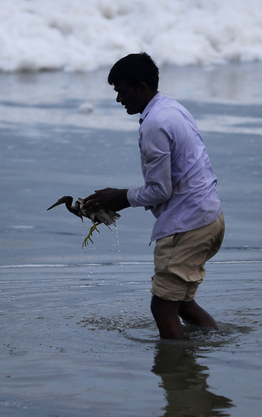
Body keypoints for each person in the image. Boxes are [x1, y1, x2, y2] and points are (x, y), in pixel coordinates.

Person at [83, 52, 225, 339]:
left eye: (122, 92)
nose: (119, 100)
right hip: (211, 219)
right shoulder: (173, 108)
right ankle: (219, 342)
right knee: (181, 304)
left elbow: (161, 190)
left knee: (162, 308)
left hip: (188, 226)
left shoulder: (153, 124)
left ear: (142, 88)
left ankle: (177, 371)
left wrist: (121, 196)